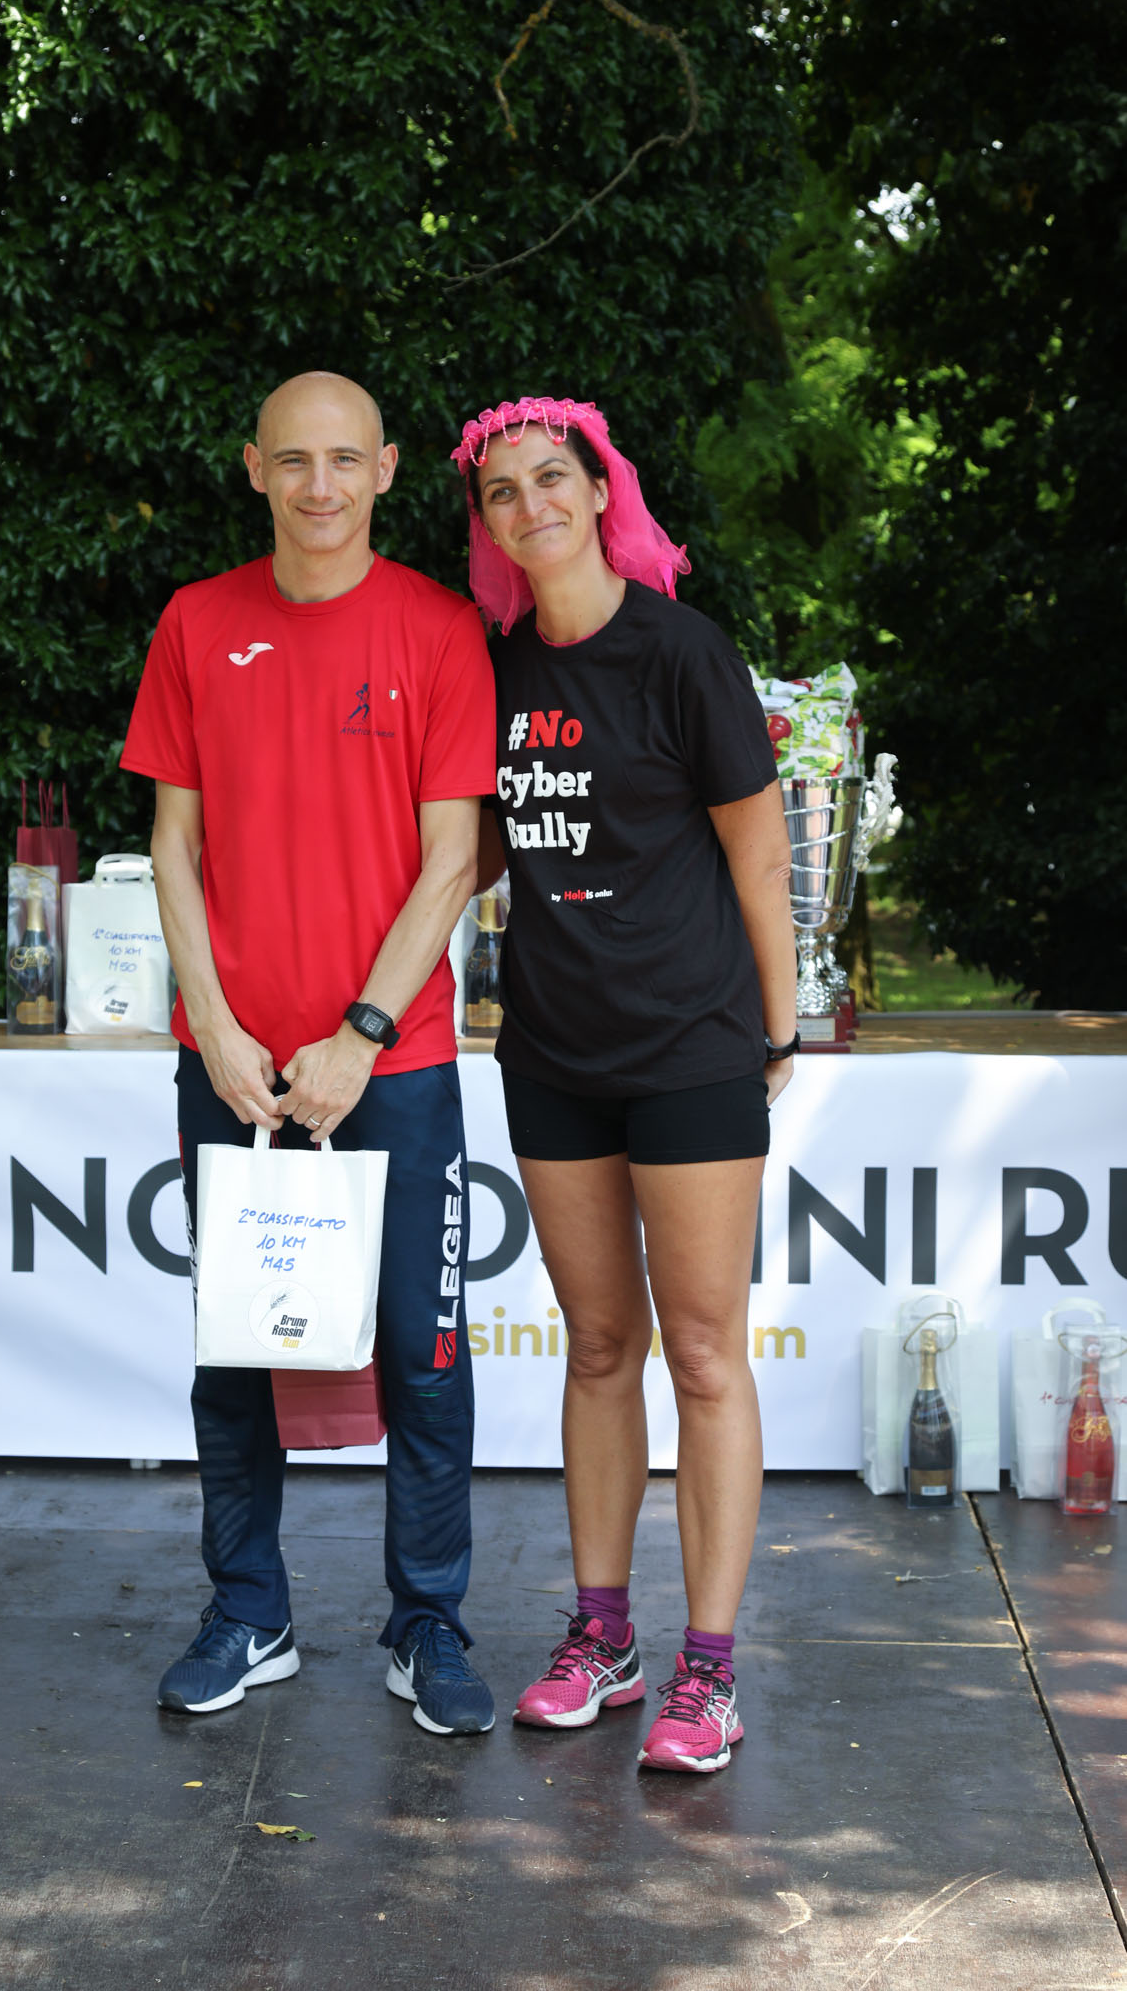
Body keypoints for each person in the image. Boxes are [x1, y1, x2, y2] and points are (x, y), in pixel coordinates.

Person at [121, 371, 497, 1737]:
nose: (320, 486)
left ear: (387, 469)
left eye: (345, 460)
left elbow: (451, 861)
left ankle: (427, 1622)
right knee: (236, 1353)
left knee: (423, 1352)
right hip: (231, 1065)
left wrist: (361, 1033)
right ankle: (249, 1613)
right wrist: (215, 1024)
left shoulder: (440, 629)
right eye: (294, 461)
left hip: (392, 1067)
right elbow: (172, 844)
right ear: (254, 468)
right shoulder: (195, 622)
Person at [450, 394, 797, 1773]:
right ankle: (603, 1638)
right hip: (552, 1050)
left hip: (692, 1045)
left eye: (553, 477)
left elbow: (759, 857)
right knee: (598, 1348)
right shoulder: (491, 670)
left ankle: (709, 1672)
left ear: (601, 493)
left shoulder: (680, 652)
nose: (530, 503)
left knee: (703, 1354)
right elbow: (467, 851)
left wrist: (776, 1034)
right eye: (502, 490)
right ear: (485, 524)